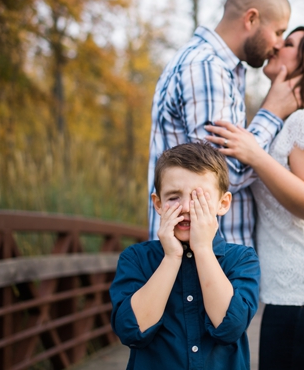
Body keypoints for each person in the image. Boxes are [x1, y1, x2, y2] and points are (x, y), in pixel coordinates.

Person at [205, 27, 304, 369]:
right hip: (303, 293)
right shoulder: (291, 121)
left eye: (289, 43)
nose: (277, 45)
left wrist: (255, 155)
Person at [148, 0, 301, 247]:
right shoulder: (207, 68)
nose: (279, 44)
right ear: (251, 19)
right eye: (278, 32)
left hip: (209, 256)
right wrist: (272, 112)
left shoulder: (217, 67)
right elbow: (221, 174)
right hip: (201, 260)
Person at [111, 141, 261, 370]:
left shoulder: (242, 260)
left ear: (223, 203)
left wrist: (202, 249)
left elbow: (230, 327)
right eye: (173, 197)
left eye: (199, 198)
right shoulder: (136, 259)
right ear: (158, 204)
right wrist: (171, 257)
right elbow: (131, 331)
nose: (186, 207)